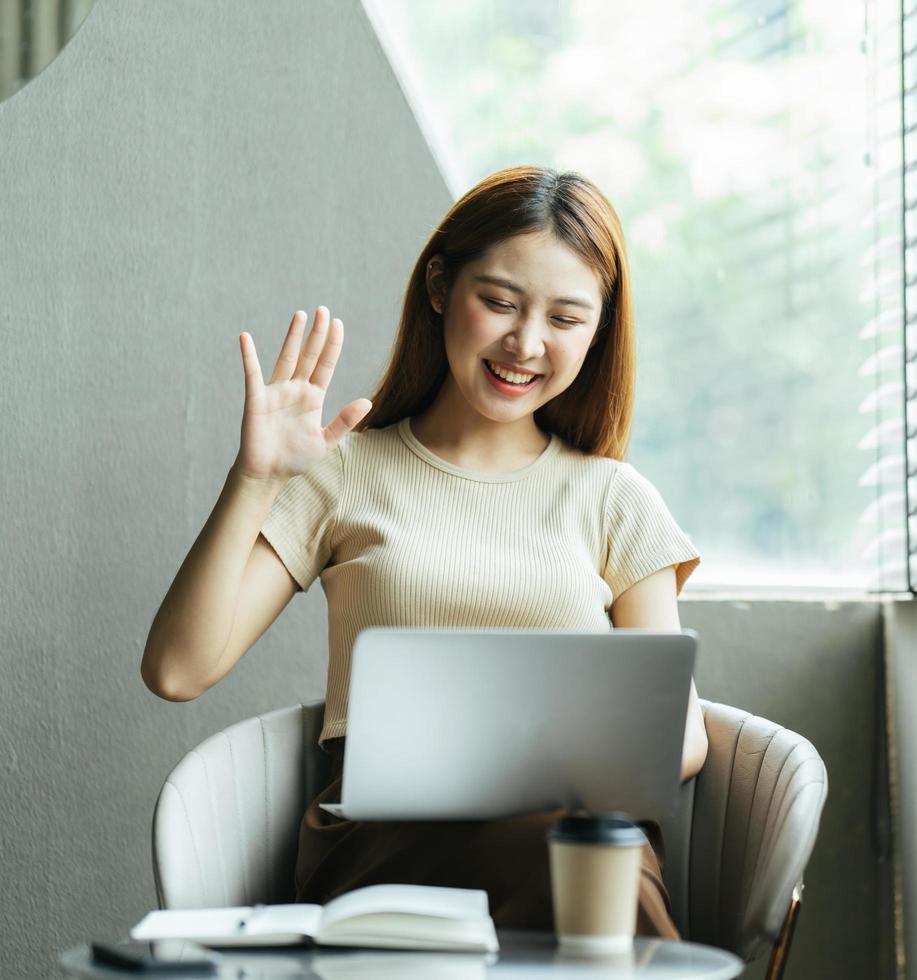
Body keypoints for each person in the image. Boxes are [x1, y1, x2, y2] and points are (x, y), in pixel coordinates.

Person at [140, 165, 705, 939]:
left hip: (576, 830)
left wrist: (531, 770)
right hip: (385, 839)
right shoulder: (342, 470)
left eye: (566, 318)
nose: (526, 343)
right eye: (500, 302)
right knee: (579, 875)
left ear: (599, 330)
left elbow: (681, 736)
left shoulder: (615, 498)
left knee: (584, 858)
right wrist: (256, 479)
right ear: (440, 287)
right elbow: (178, 669)